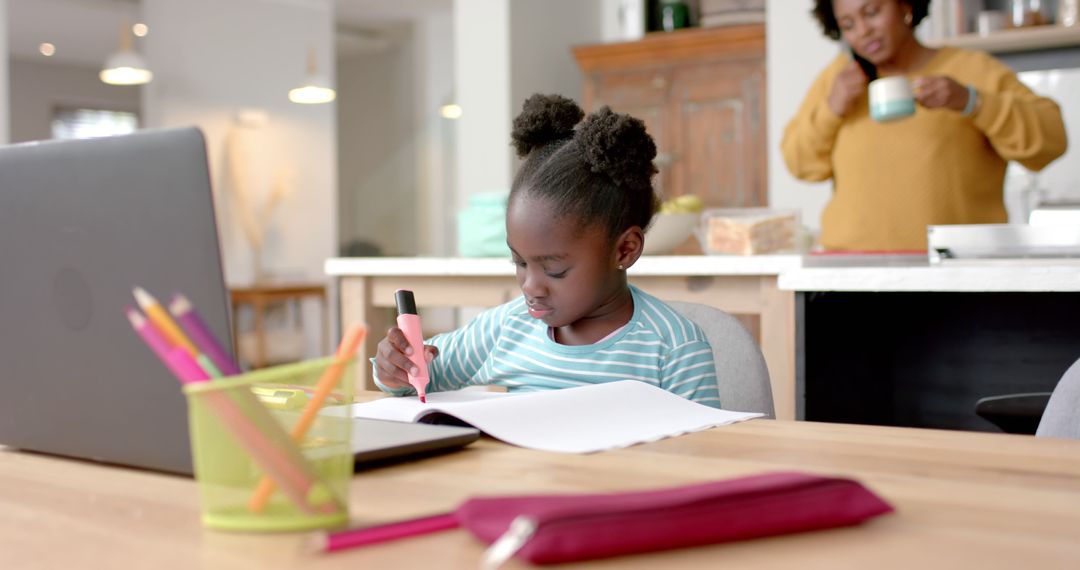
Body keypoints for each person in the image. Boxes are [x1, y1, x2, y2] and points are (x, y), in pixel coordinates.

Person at [374, 94, 722, 408]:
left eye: (554, 269)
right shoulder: (506, 327)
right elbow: (415, 381)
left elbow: (701, 457)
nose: (530, 286)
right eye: (520, 262)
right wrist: (395, 369)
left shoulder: (673, 348)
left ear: (625, 250)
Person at [781, 0, 1067, 251]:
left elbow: (1051, 140)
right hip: (850, 268)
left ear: (905, 6)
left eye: (872, 12)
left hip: (956, 270)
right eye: (848, 24)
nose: (863, 30)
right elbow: (799, 162)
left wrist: (971, 101)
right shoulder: (839, 79)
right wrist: (831, 109)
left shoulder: (970, 68)